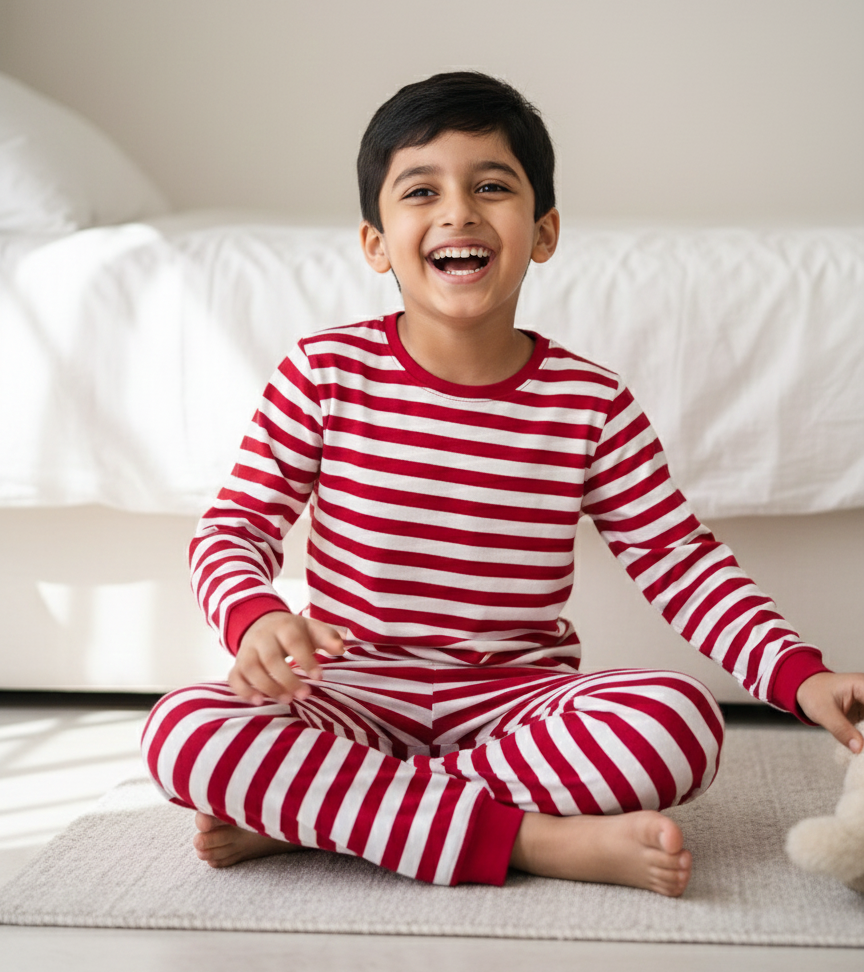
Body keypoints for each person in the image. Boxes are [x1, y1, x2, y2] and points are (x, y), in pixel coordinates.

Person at [142, 71, 864, 898]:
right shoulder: (322, 374)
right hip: (348, 697)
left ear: (543, 230)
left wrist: (800, 674)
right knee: (184, 730)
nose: (459, 212)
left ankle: (325, 817)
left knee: (680, 723)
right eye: (422, 191)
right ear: (376, 241)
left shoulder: (590, 402)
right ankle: (536, 842)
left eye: (492, 186)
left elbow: (680, 562)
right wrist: (257, 616)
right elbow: (232, 530)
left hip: (519, 709)